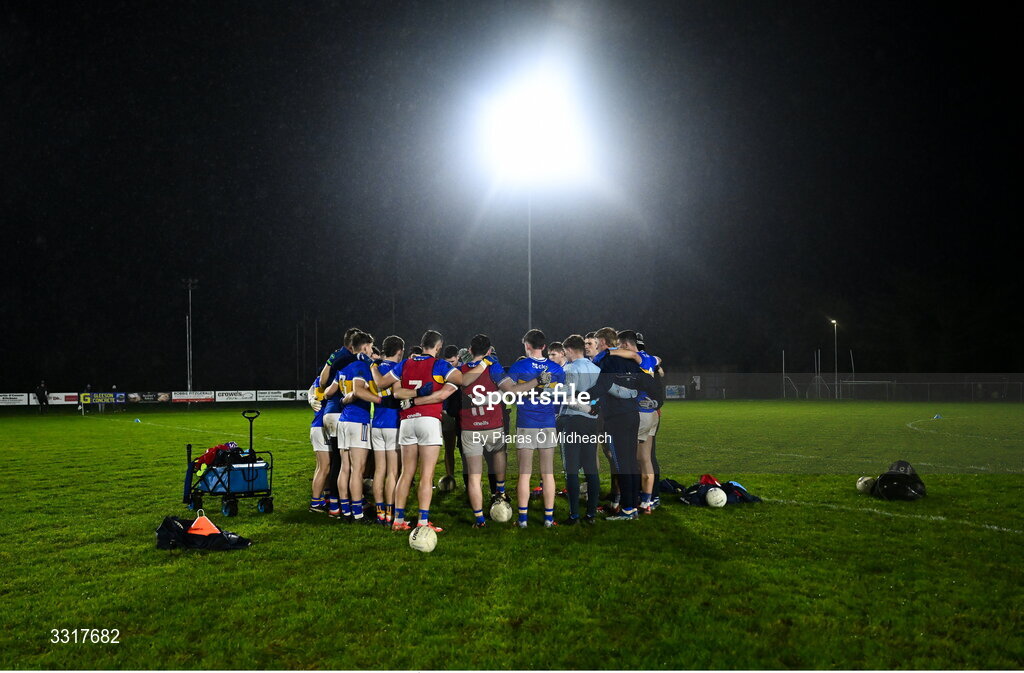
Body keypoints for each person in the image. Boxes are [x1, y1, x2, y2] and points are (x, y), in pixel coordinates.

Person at [377, 330, 485, 532]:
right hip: (428, 420)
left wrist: (373, 366)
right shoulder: (439, 364)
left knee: (405, 473)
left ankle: (398, 521)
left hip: (407, 420)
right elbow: (462, 379)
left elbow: (383, 384)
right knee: (426, 476)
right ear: (438, 347)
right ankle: (423, 522)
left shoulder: (406, 364)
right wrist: (480, 365)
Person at [584, 329, 656, 520]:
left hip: (616, 417)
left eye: (597, 342)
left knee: (622, 463)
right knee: (631, 463)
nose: (596, 345)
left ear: (602, 341)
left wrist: (581, 396)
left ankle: (627, 509)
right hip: (633, 414)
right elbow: (648, 382)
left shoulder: (607, 360)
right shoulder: (631, 360)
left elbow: (602, 386)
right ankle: (631, 507)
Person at [499, 329, 566, 528]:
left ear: (527, 345)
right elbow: (559, 396)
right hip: (547, 422)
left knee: (525, 474)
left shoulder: (520, 365)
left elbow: (508, 391)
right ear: (544, 347)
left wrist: (530, 387)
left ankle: (523, 520)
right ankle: (547, 519)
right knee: (548, 473)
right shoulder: (556, 369)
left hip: (526, 422)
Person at [458, 334, 510, 527]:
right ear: (489, 351)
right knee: (498, 452)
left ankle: (479, 519)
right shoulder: (493, 367)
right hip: (493, 423)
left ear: (470, 350)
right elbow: (508, 390)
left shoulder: (460, 369)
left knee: (474, 475)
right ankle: (500, 491)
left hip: (470, 427)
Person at [335, 332, 384, 524]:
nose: (372, 351)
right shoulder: (361, 366)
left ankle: (346, 511)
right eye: (371, 347)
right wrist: (380, 400)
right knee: (358, 470)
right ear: (364, 347)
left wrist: (344, 399)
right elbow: (358, 390)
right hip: (358, 421)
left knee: (345, 468)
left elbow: (342, 395)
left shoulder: (345, 367)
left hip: (344, 421)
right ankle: (358, 514)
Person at [615, 331, 663, 513]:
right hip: (652, 413)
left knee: (629, 459)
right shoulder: (650, 358)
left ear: (626, 345)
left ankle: (630, 502)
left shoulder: (636, 359)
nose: (618, 349)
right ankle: (646, 502)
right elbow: (658, 359)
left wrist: (609, 352)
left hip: (640, 412)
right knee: (645, 459)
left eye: (620, 346)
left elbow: (633, 354)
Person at [557, 335, 602, 525]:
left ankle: (574, 515)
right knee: (591, 468)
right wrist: (592, 409)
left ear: (568, 350)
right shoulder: (596, 368)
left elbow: (569, 399)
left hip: (574, 421)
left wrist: (587, 408)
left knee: (572, 470)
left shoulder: (569, 368)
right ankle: (591, 514)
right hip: (593, 422)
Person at [369, 335, 404, 525]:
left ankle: (379, 513)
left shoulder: (374, 368)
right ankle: (390, 513)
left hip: (377, 422)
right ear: (399, 351)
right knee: (392, 471)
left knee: (379, 471)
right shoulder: (397, 369)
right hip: (393, 423)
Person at [306, 376, 331, 513]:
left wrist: (310, 397)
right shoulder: (329, 380)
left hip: (318, 427)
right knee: (324, 467)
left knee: (322, 466)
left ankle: (323, 498)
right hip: (320, 427)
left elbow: (311, 389)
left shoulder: (321, 379)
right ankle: (315, 503)